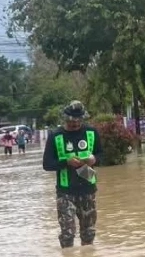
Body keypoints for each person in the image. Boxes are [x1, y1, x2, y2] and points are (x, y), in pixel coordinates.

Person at [42, 100, 102, 248]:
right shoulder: (55, 136)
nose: (75, 124)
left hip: (88, 189)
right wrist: (66, 162)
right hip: (65, 192)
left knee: (88, 233)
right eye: (71, 121)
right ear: (65, 119)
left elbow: (102, 155)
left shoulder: (91, 133)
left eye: (78, 121)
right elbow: (47, 164)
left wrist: (94, 159)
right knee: (67, 233)